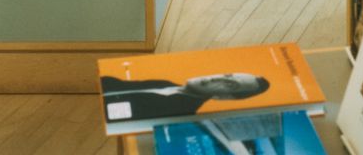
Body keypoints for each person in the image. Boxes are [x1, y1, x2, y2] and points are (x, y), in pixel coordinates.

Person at [101, 71, 270, 120]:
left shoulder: (179, 113)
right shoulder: (164, 82)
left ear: (225, 97)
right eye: (227, 75)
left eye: (230, 84)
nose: (215, 77)